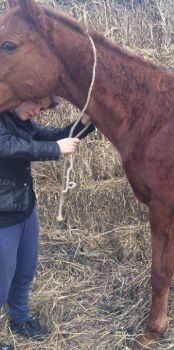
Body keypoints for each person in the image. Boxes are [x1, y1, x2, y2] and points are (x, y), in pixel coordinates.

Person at [0, 97, 95, 350]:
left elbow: (59, 135)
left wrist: (84, 122)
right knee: (0, 282)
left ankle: (19, 319)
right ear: (16, 95)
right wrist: (55, 149)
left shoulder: (26, 124)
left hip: (24, 208)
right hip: (2, 216)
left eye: (41, 108)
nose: (36, 111)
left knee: (25, 272)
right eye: (33, 104)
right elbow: (7, 146)